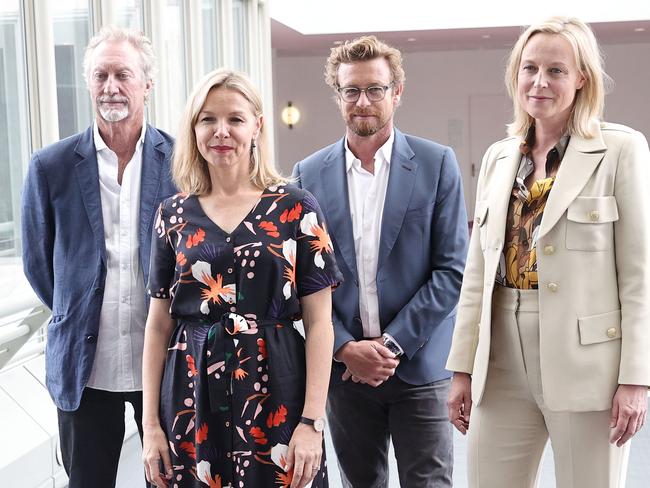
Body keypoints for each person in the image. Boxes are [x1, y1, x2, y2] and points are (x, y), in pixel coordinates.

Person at [446, 16, 650, 488]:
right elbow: (477, 271)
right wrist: (461, 368)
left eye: (556, 70)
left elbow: (639, 277)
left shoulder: (620, 150)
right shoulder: (500, 156)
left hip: (587, 361)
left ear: (582, 79)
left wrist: (636, 379)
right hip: (499, 358)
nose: (539, 81)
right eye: (529, 67)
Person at [141, 68, 342, 488]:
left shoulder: (296, 207)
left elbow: (321, 323)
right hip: (190, 395)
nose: (221, 131)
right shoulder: (172, 216)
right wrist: (151, 427)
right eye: (207, 119)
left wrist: (312, 421)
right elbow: (158, 325)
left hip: (278, 392)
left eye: (234, 118)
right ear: (193, 128)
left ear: (257, 126)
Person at [293, 36, 468, 488]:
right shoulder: (307, 175)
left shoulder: (437, 164)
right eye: (351, 90)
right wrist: (345, 346)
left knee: (428, 483)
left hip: (419, 365)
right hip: (346, 371)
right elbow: (301, 278)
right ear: (338, 96)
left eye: (375, 89)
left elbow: (451, 271)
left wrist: (390, 346)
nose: (363, 101)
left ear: (397, 92)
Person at [21, 26, 176, 488]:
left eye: (123, 74)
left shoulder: (183, 161)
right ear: (88, 82)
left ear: (147, 83)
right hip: (84, 368)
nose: (110, 86)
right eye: (100, 75)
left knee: (171, 480)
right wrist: (79, 304)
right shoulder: (50, 167)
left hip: (165, 362)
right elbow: (37, 262)